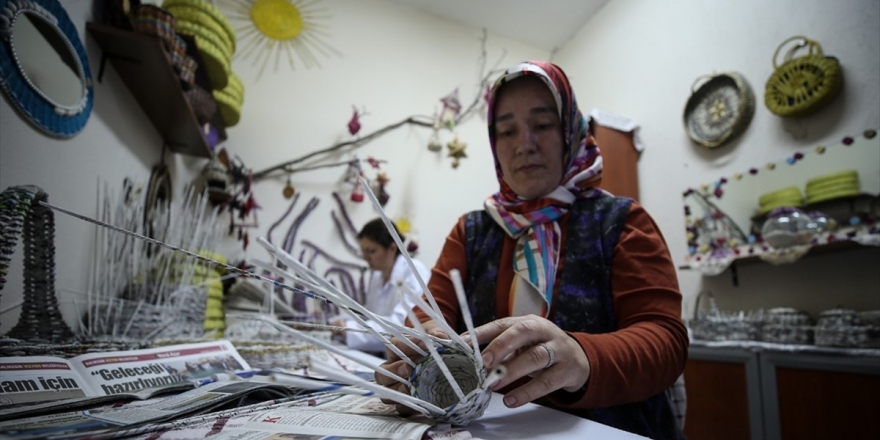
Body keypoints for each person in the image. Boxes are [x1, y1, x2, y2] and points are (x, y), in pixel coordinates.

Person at [375, 61, 688, 440]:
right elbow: (427, 316)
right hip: (489, 428)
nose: (524, 144)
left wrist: (583, 357)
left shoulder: (620, 221)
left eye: (542, 125)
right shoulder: (472, 232)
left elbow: (665, 341)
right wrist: (417, 351)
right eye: (507, 131)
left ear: (571, 132)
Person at [330, 218, 431, 356]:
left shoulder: (414, 271)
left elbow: (401, 324)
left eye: (371, 251)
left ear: (392, 248)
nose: (365, 258)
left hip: (406, 356)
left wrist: (349, 329)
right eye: (363, 251)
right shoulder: (378, 275)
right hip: (383, 354)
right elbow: (369, 315)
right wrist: (340, 322)